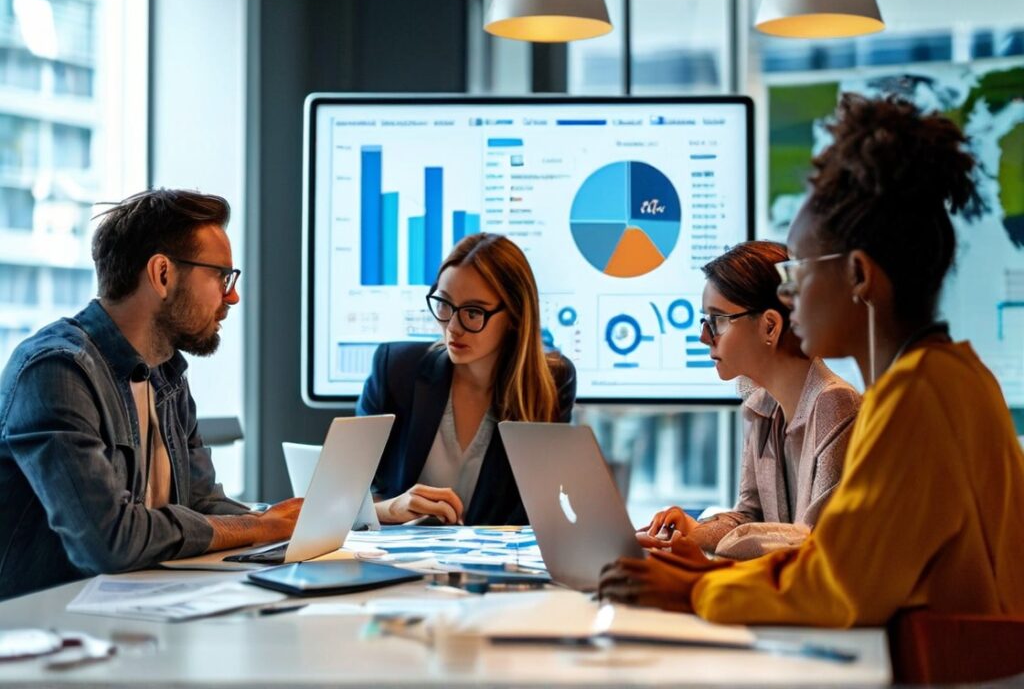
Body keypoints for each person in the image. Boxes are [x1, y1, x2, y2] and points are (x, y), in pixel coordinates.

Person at [600, 93, 1024, 625]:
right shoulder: (950, 377)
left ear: (859, 276)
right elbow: (838, 564)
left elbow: (836, 587)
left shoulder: (915, 397)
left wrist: (692, 591)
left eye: (798, 274)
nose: (789, 294)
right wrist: (699, 574)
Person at [0, 189, 300, 600]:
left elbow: (202, 504)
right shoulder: (57, 371)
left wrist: (294, 520)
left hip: (135, 611)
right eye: (221, 276)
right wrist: (261, 526)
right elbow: (108, 541)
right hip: (49, 632)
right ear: (162, 274)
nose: (232, 296)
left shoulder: (167, 374)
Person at [643, 241, 860, 560]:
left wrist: (708, 542)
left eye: (716, 320)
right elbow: (751, 515)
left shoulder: (835, 403)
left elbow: (815, 544)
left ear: (769, 326)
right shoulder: (760, 406)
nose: (705, 335)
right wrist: (690, 533)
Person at [357, 233, 576, 526]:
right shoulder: (396, 368)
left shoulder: (551, 381)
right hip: (396, 564)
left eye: (473, 312)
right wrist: (389, 510)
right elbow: (343, 498)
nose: (453, 328)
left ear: (514, 315)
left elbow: (542, 512)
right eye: (445, 305)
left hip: (497, 568)